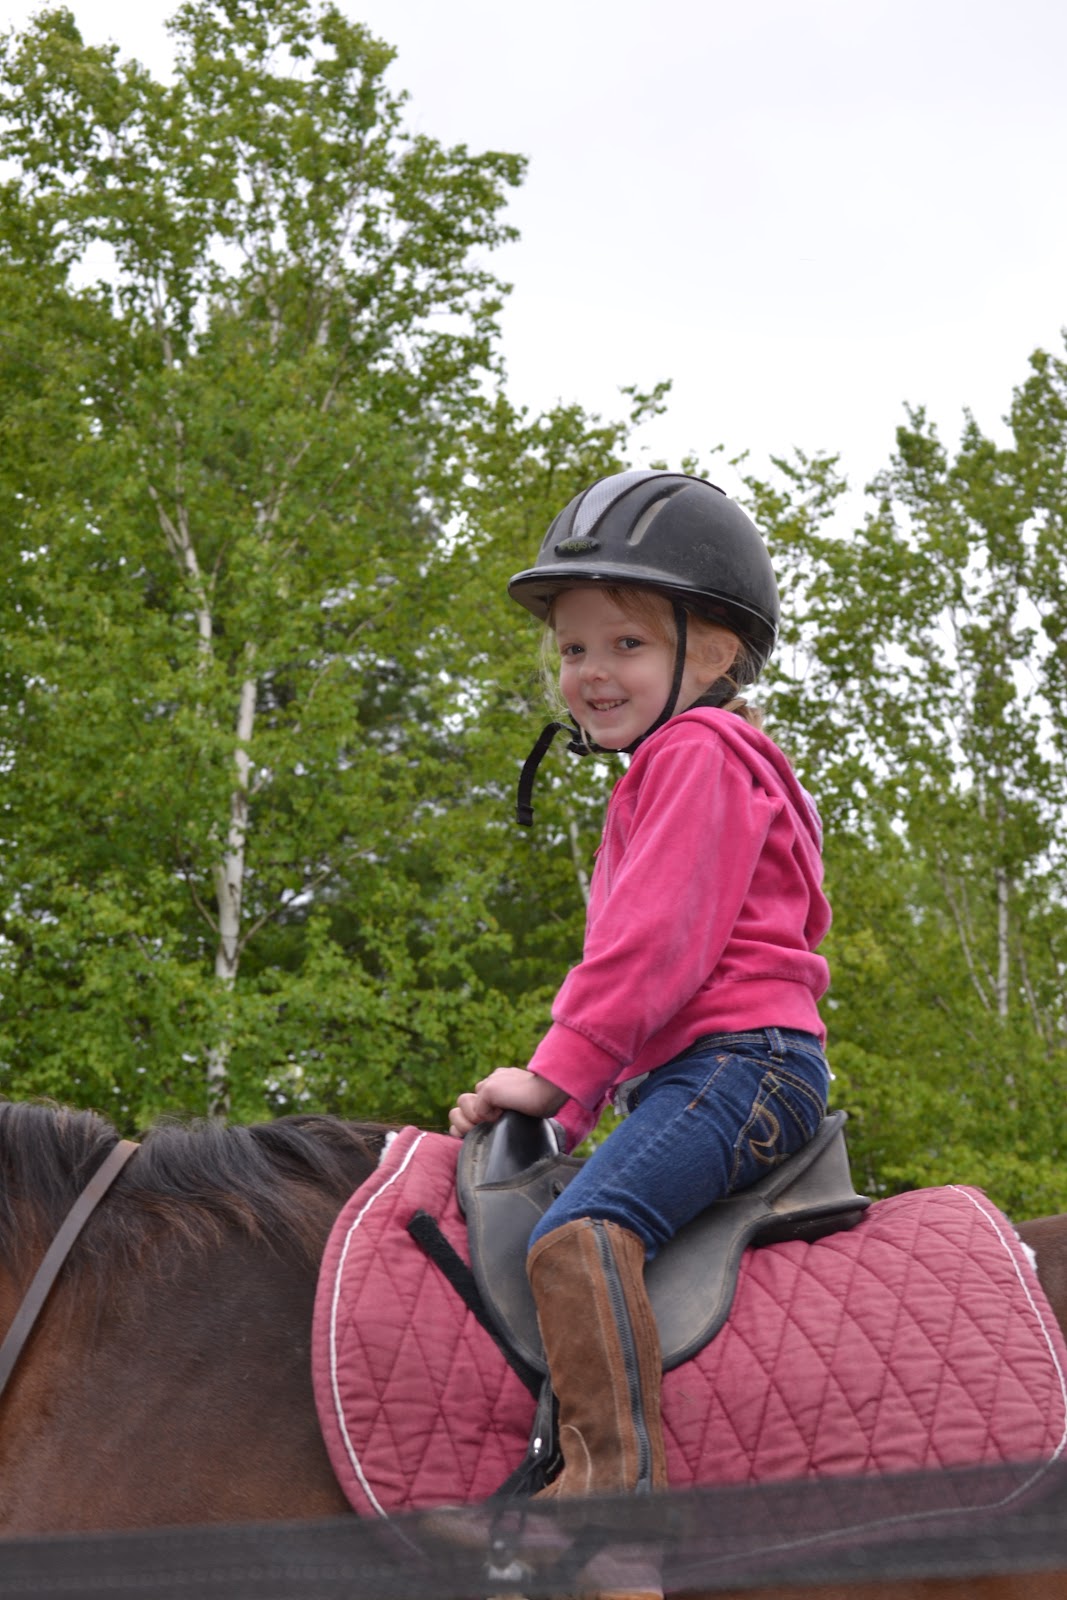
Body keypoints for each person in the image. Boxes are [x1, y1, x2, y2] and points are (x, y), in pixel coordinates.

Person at [448, 469, 832, 1507]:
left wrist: (549, 1072)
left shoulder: (696, 753)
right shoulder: (680, 764)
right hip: (711, 1068)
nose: (590, 672)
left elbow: (652, 951)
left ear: (707, 651)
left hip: (739, 1066)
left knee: (577, 1232)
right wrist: (569, 1105)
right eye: (573, 648)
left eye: (625, 643)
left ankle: (604, 1503)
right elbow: (648, 975)